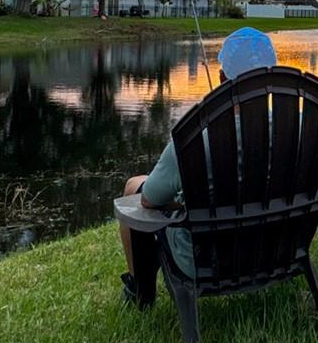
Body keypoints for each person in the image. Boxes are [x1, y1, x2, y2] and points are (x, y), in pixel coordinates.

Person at [118, 26, 278, 302]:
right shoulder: (295, 128)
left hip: (204, 259)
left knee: (134, 186)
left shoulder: (193, 137)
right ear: (272, 76)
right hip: (275, 248)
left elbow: (149, 201)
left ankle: (139, 290)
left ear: (222, 77)